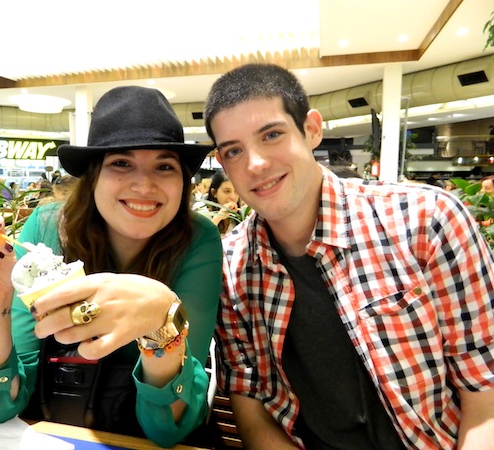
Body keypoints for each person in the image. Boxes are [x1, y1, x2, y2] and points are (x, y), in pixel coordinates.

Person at [204, 63, 494, 449]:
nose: (255, 163)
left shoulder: (427, 221)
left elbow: (484, 394)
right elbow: (251, 405)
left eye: (272, 135)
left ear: (311, 129)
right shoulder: (231, 268)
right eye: (234, 151)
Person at [0, 85, 223, 448]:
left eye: (164, 166)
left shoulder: (197, 240)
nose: (144, 184)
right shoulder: (48, 228)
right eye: (121, 163)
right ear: (93, 176)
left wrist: (161, 322)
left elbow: (168, 428)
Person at [194, 169, 241, 235]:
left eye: (236, 191)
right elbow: (199, 239)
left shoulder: (238, 216)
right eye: (227, 191)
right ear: (214, 193)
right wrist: (219, 217)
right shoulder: (201, 209)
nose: (233, 197)